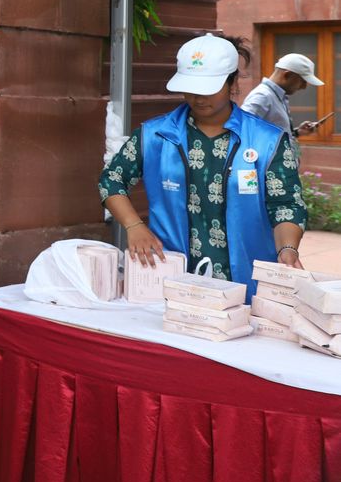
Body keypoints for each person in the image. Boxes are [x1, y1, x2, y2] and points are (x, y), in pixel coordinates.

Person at [101, 34, 307, 292]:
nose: (198, 98)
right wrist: (134, 225)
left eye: (209, 88)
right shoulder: (155, 135)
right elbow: (112, 180)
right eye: (190, 88)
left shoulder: (267, 141)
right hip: (172, 278)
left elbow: (286, 205)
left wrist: (287, 248)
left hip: (247, 281)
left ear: (232, 82)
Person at [241, 53, 324, 137]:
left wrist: (297, 132)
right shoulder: (262, 96)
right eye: (302, 81)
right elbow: (241, 131)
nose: (304, 87)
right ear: (287, 75)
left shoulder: (277, 96)